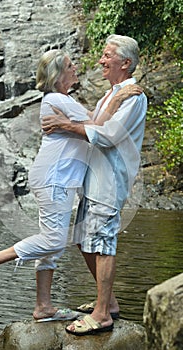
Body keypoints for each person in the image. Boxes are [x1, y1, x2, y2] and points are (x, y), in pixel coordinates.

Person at [0, 48, 142, 323]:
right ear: (58, 74)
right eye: (70, 65)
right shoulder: (59, 99)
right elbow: (97, 124)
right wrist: (118, 97)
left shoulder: (60, 99)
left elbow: (92, 123)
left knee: (51, 244)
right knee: (54, 240)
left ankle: (43, 307)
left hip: (54, 178)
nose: (76, 68)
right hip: (55, 179)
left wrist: (104, 104)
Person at [42, 34, 147, 335]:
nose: (100, 60)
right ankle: (109, 302)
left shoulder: (133, 95)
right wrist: (106, 104)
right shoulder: (114, 94)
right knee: (83, 239)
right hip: (95, 177)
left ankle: (102, 315)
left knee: (102, 242)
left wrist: (63, 125)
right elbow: (93, 121)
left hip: (109, 180)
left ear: (125, 63)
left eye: (107, 55)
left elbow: (105, 134)